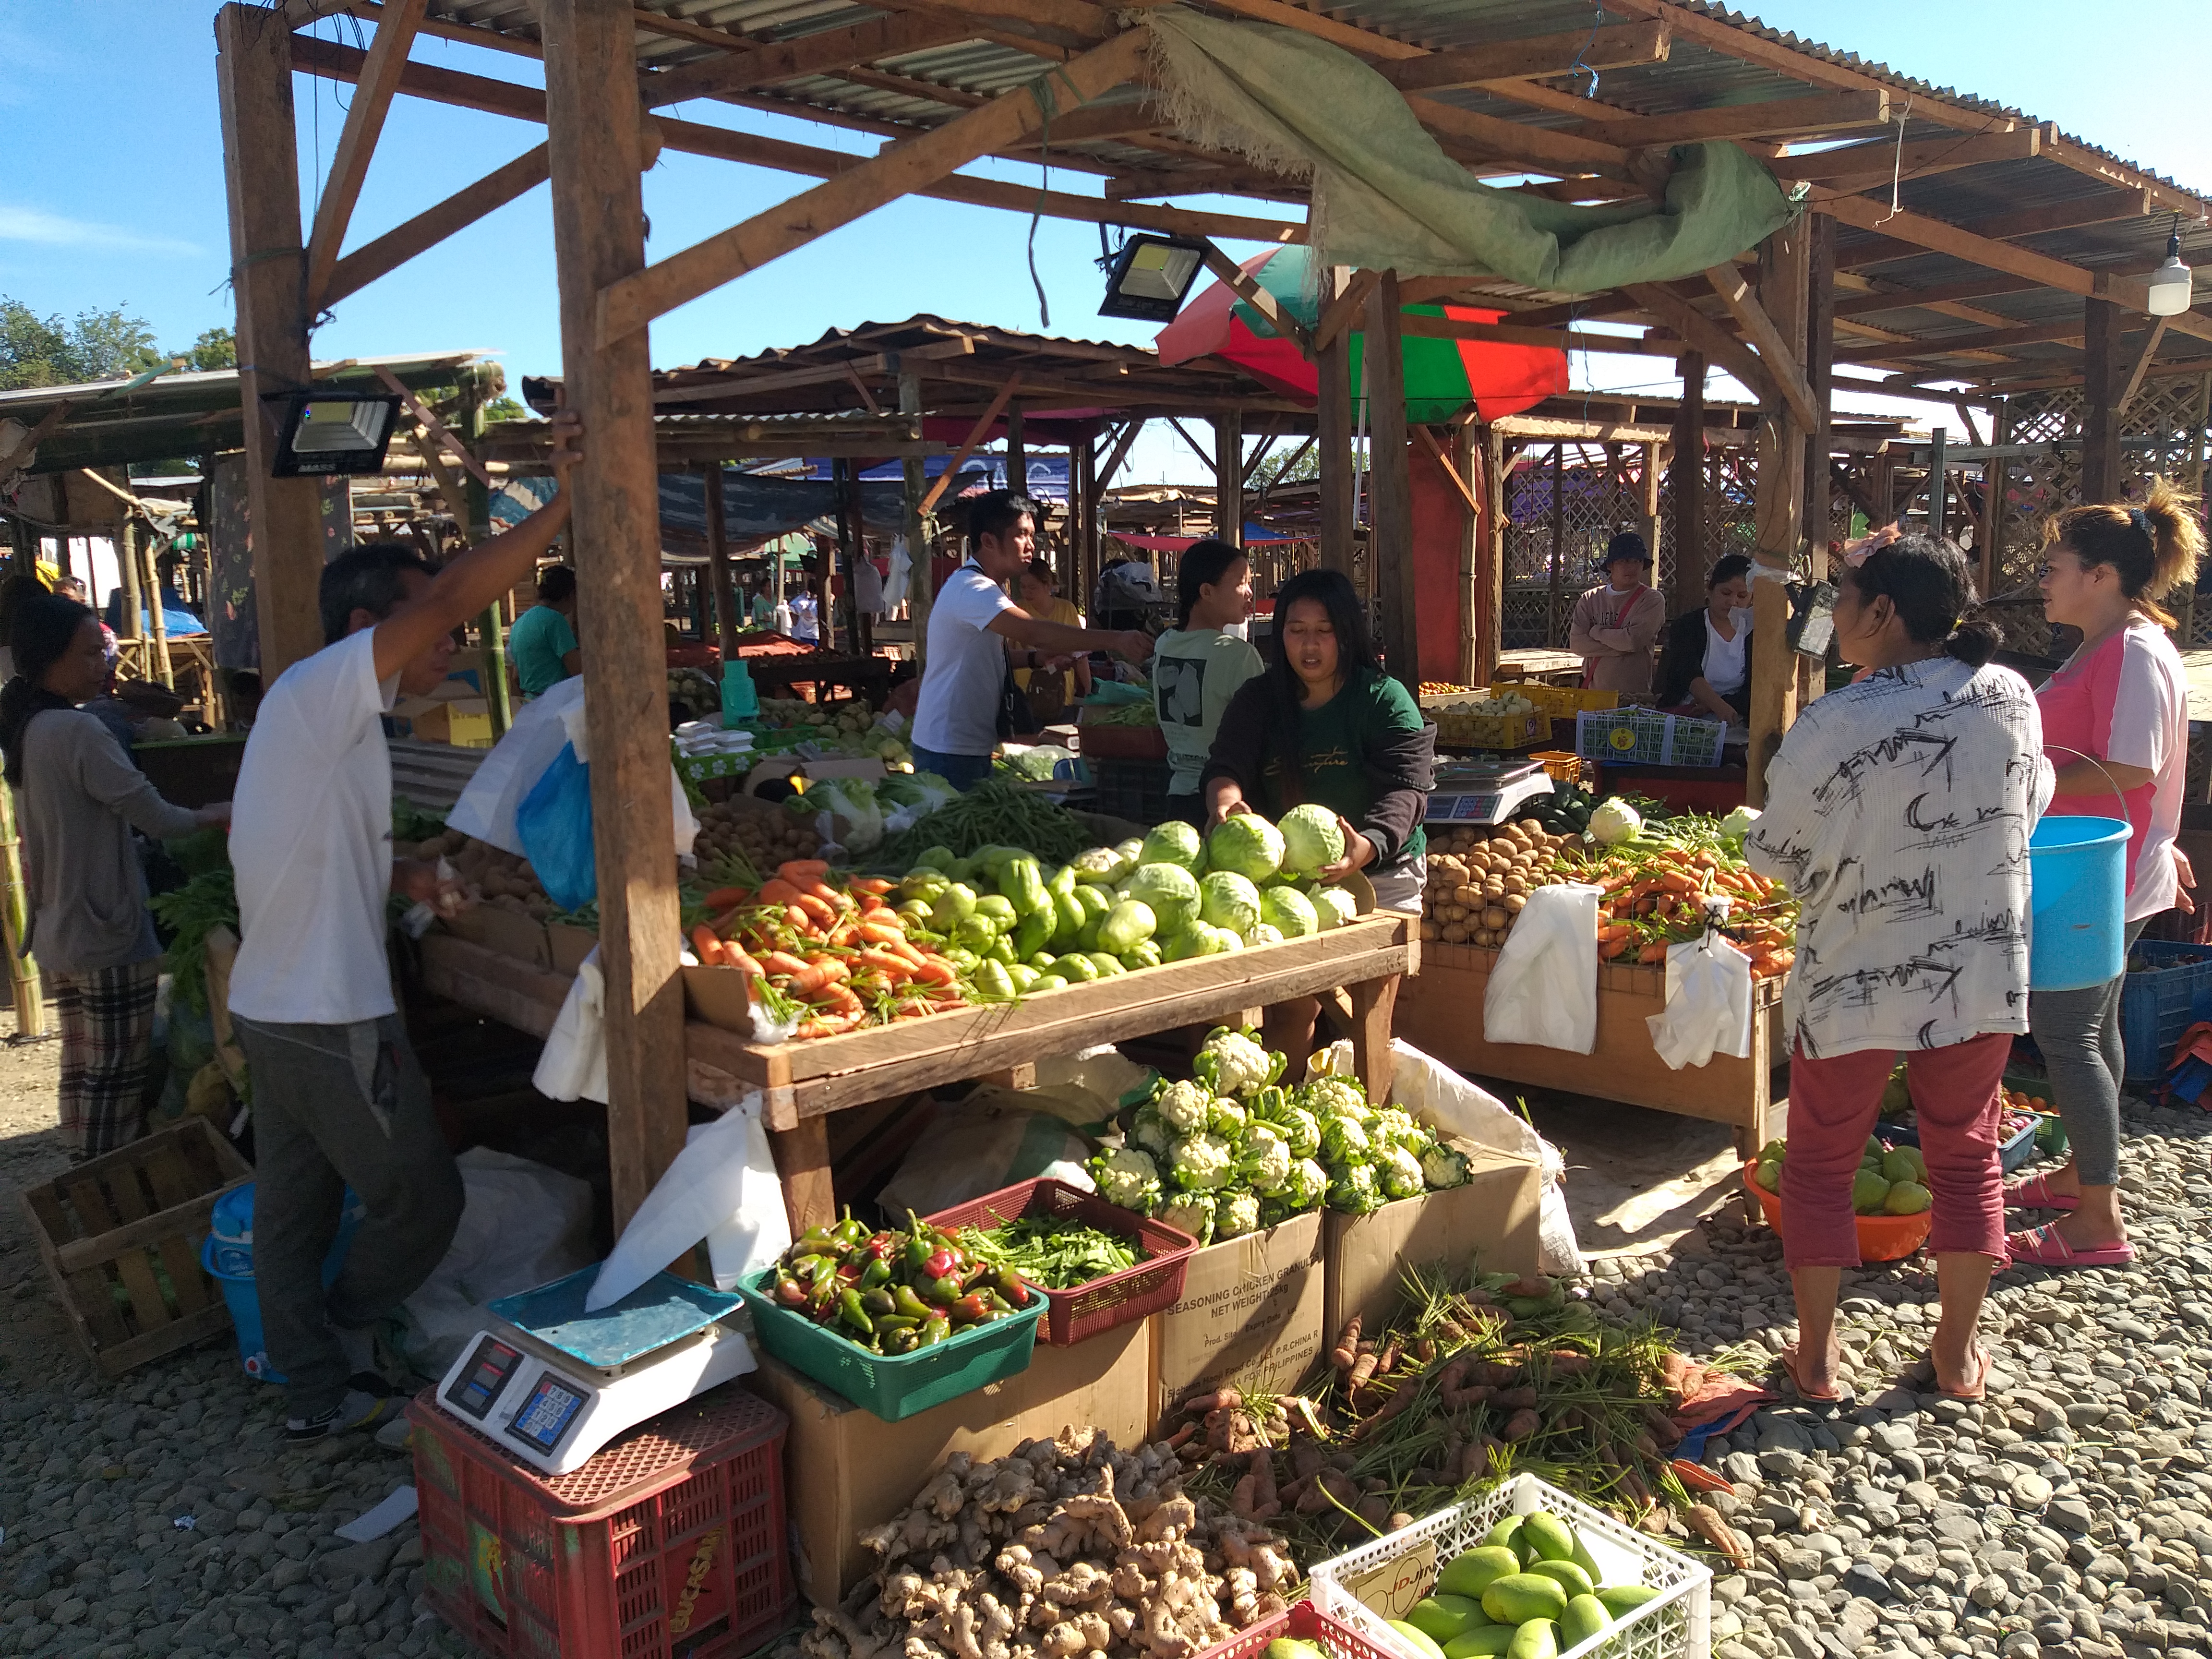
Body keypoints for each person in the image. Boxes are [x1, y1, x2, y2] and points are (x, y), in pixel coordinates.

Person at [227, 412, 583, 1442]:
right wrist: (562, 503)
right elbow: (468, 586)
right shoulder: (324, 689)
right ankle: (351, 1331)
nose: (454, 641)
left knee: (293, 1211)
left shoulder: (332, 721)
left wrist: (410, 874)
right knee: (420, 1201)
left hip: (275, 1007)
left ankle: (312, 1391)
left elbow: (313, 853)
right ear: (370, 629)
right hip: (328, 1015)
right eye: (434, 623)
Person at [1743, 533, 2052, 1404]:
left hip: (1852, 972)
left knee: (1818, 1162)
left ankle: (1814, 1359)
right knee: (1966, 1157)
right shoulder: (2009, 696)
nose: (1830, 613)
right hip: (1977, 963)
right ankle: (1955, 1357)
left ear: (1881, 614)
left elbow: (1774, 853)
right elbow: (2028, 807)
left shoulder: (1832, 722)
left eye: (1841, 596)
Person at [2008, 481, 2203, 1268]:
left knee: (2064, 1032)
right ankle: (2084, 1176)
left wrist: (2020, 776)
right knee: (2094, 1028)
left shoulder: (2130, 649)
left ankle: (2097, 1218)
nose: (2043, 578)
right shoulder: (2105, 645)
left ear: (2097, 575)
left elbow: (2128, 767)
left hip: (2099, 874)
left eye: (2053, 565)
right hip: (2097, 865)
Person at [1, 593, 228, 1159]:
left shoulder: (31, 728)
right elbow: (153, 815)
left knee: (83, 1081)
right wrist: (215, 815)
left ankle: (86, 1189)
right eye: (89, 654)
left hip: (60, 932)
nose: (103, 664)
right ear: (51, 660)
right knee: (117, 1083)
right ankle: (110, 1190)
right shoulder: (76, 733)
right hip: (106, 934)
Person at [1202, 566, 1433, 1073]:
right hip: (1294, 878)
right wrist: (1226, 804)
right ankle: (1285, 1112)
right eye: (1296, 629)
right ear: (1278, 632)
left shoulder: (1383, 698)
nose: (1310, 645)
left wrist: (1367, 845)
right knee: (1292, 1009)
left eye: (1324, 631)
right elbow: (1226, 765)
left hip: (1382, 872)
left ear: (1346, 633)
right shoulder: (1259, 700)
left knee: (1368, 1017)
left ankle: (1363, 1113)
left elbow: (1407, 790)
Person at [913, 491, 1151, 791]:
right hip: (949, 748)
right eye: (1021, 535)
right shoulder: (973, 589)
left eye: (1032, 535)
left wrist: (1036, 659)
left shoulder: (985, 589)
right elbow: (1033, 632)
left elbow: (986, 658)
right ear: (988, 541)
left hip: (963, 743)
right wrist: (1116, 639)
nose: (1031, 544)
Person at [1153, 540, 1264, 825]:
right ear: (1206, 592)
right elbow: (1264, 730)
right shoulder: (1238, 655)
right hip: (1229, 802)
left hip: (1178, 795)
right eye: (1241, 583)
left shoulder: (1165, 644)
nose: (1250, 593)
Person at [1655, 554, 1755, 722]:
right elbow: (1688, 673)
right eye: (1726, 593)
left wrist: (1719, 706)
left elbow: (1755, 688)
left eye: (1742, 596)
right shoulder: (1687, 626)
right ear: (1710, 590)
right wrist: (1716, 705)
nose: (1733, 602)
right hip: (1686, 718)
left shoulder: (1755, 633)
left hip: (1737, 721)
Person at [1568, 531, 1665, 693]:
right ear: (1610, 565)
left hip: (1634, 698)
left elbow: (1633, 642)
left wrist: (1597, 632)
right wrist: (1622, 646)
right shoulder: (1590, 599)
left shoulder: (1651, 600)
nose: (1632, 567)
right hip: (1594, 696)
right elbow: (1577, 644)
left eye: (1637, 561)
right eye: (1624, 561)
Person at [1014, 557, 1093, 723]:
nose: (1026, 592)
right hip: (1026, 696)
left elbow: (1080, 653)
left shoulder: (1067, 609)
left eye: (1033, 587)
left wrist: (1088, 689)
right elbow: (1008, 652)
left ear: (1048, 585)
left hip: (1061, 695)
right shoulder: (1016, 611)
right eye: (1023, 587)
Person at [506, 565, 581, 699]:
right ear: (570, 595)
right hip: (557, 703)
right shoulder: (555, 621)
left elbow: (516, 677)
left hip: (531, 703)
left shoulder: (521, 623)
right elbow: (577, 671)